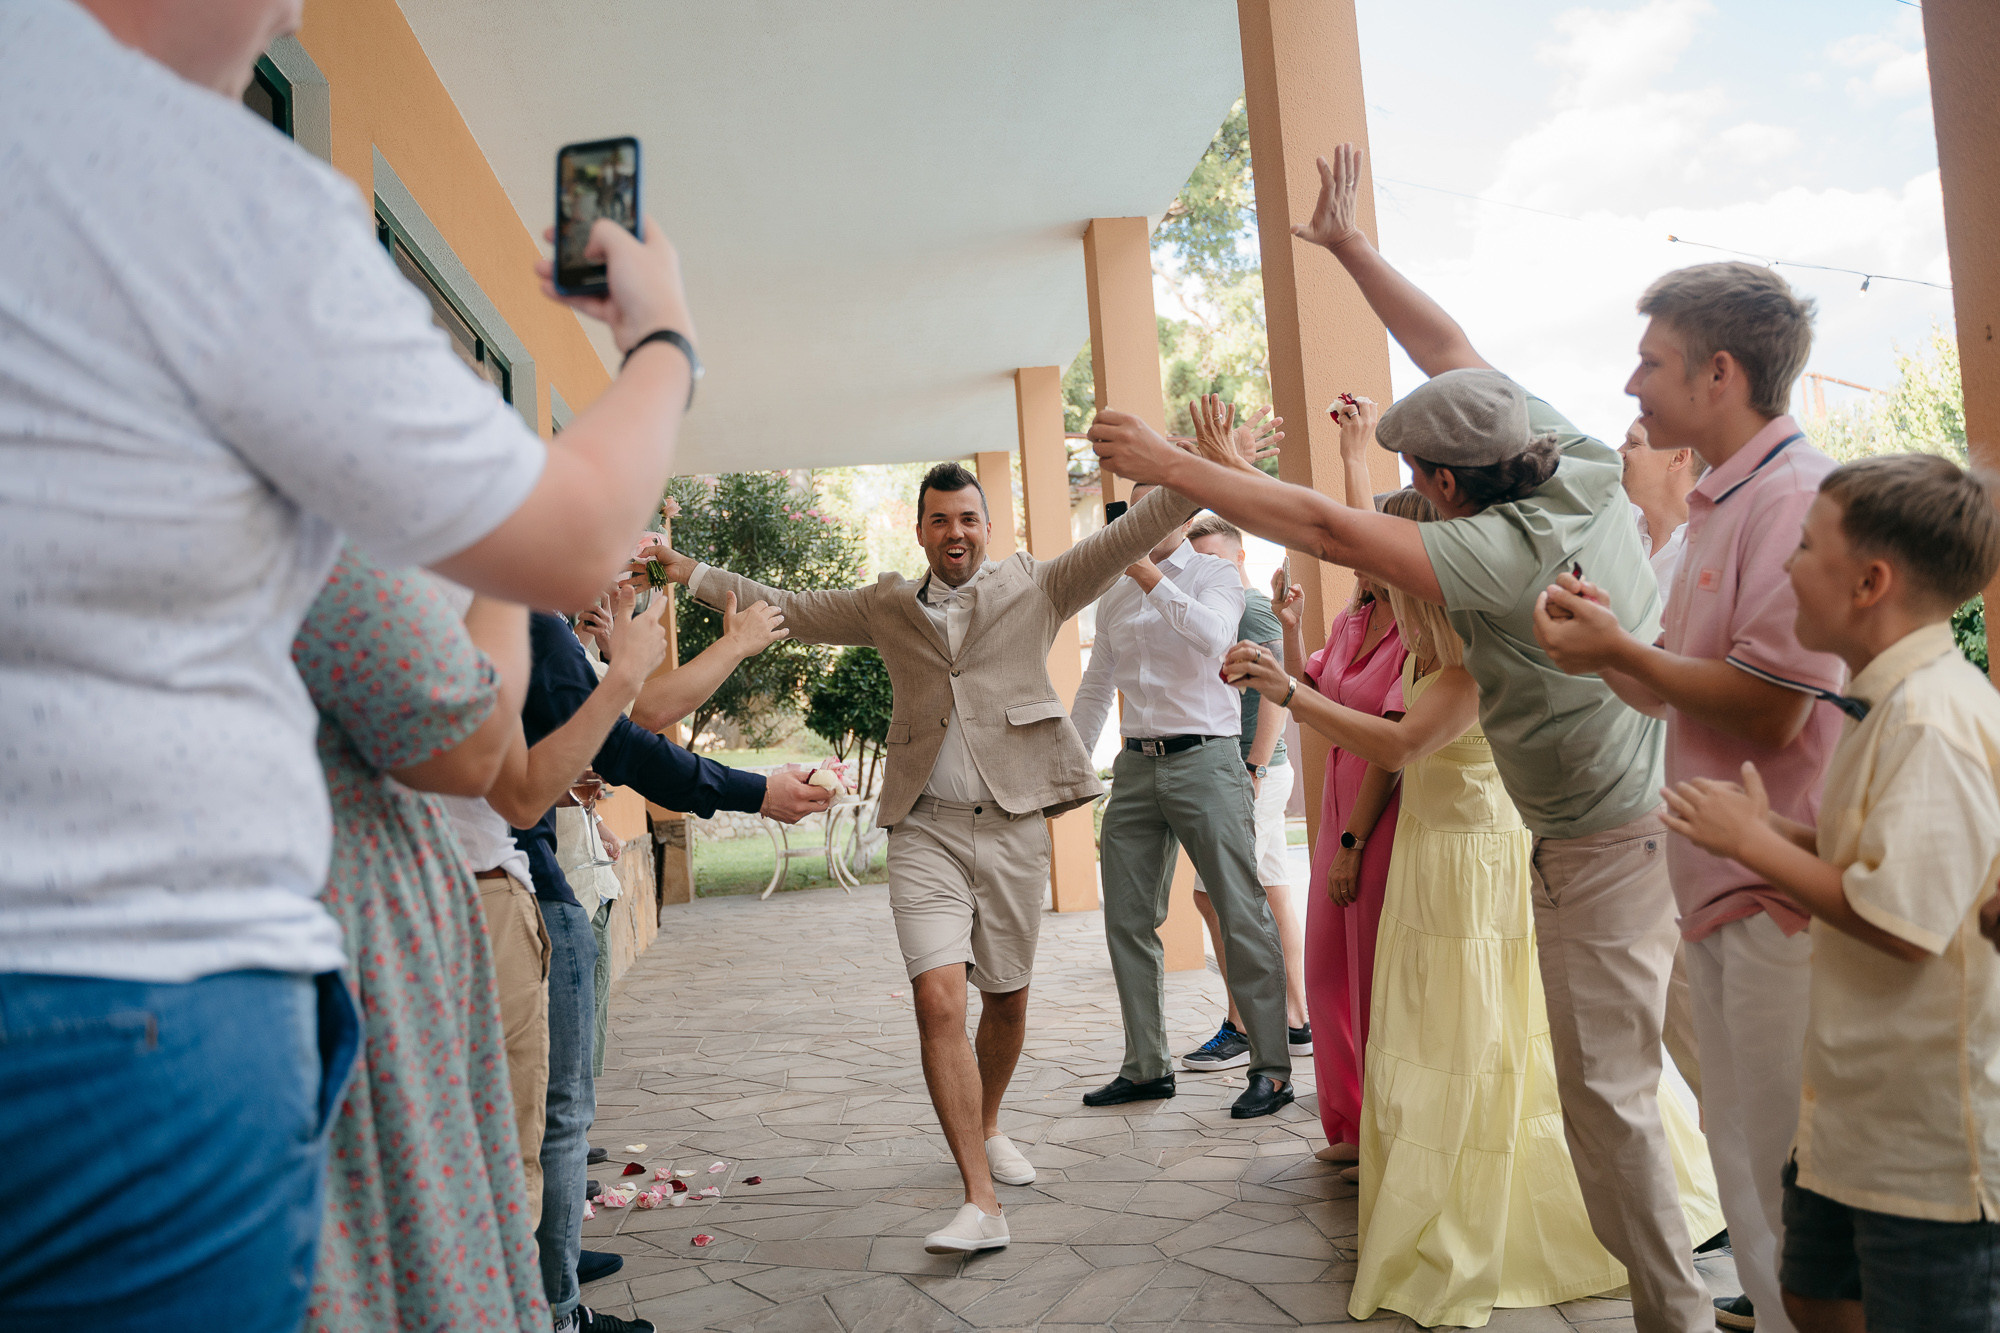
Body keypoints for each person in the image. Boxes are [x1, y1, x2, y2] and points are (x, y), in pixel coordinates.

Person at [1, 2, 698, 1321]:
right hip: (134, 1006)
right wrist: (661, 341)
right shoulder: (196, 178)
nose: (295, 12)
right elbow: (498, 683)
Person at [1089, 142, 1717, 1332]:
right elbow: (1448, 351)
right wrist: (1348, 248)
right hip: (1670, 822)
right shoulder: (1573, 464)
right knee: (1707, 1080)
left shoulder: (1492, 550)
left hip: (1597, 851)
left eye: (1417, 477)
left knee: (1608, 1103)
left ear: (1440, 482)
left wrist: (1171, 465)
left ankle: (1673, 1316)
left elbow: (1330, 527)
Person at [643, 455, 1230, 1255]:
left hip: (1015, 821)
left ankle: (987, 1123)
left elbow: (1134, 528)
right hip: (925, 826)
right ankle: (979, 1201)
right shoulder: (889, 605)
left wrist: (1189, 474)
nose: (955, 532)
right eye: (939, 519)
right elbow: (788, 607)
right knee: (937, 1002)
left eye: (968, 518)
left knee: (1009, 1000)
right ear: (920, 530)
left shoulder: (1039, 585)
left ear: (985, 526)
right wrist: (692, 573)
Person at [1228, 469, 1723, 1324]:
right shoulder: (1425, 643)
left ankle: (1537, 1221)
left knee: (1491, 1051)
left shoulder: (1480, 654)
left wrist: (1287, 694)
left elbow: (1403, 739)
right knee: (1437, 1045)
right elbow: (1342, 533)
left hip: (1480, 873)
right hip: (1429, 861)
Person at [1534, 263, 1843, 1333]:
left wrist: (1623, 648)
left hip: (1777, 898)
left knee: (1783, 1194)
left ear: (1719, 373)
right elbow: (1678, 689)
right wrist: (1601, 650)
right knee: (1752, 1182)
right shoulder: (1720, 505)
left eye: (1650, 361)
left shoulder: (1792, 498)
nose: (1630, 386)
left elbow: (1768, 708)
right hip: (1719, 892)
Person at [1662, 455, 2000, 1333]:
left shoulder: (1930, 716)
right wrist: (1780, 834)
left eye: (1807, 546)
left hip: (1923, 1132)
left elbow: (1907, 917)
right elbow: (1880, 857)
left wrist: (1755, 850)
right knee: (1813, 1293)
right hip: (1855, 1112)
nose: (1786, 565)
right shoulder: (1888, 700)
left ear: (1870, 582)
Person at [506, 596, 821, 1333]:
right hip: (525, 895)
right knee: (558, 1120)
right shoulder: (529, 621)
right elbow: (625, 740)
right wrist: (756, 789)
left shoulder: (465, 609)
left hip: (494, 888)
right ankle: (555, 1312)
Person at [289, 549, 544, 1332]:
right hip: (356, 943)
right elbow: (482, 751)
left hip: (367, 928)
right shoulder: (309, 532)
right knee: (415, 1219)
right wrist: (511, 554)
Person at [1071, 485, 1293, 1121]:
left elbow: (1214, 636)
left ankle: (1272, 1072)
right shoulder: (1113, 593)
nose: (1147, 518)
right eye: (1137, 508)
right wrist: (1067, 768)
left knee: (1240, 910)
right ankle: (1146, 1066)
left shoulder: (1214, 574)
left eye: (1161, 506)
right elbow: (1094, 689)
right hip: (1137, 768)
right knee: (1128, 921)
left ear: (1186, 514)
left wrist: (1145, 574)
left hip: (1207, 759)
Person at [1182, 514, 1313, 1072]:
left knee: (1217, 896)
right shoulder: (1223, 607)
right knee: (1272, 892)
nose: (1207, 569)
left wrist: (1254, 767)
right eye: (1198, 560)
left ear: (1238, 558)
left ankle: (1241, 1024)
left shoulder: (1252, 608)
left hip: (1251, 770)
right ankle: (1297, 1019)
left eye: (1216, 558)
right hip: (1247, 770)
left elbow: (1279, 694)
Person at [1621, 417, 1704, 592]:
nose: (1618, 452)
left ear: (1678, 458)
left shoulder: (1711, 557)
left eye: (1633, 444)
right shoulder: (1613, 527)